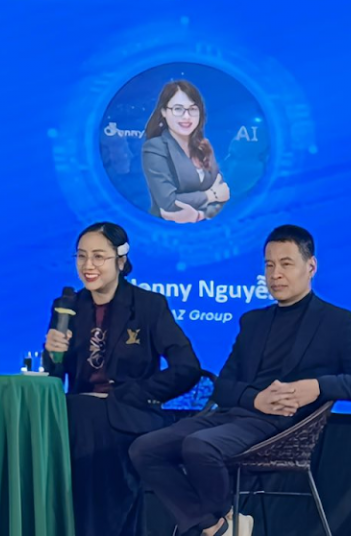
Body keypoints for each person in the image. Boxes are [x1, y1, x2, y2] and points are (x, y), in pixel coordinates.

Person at [130, 224, 351, 536]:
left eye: (286, 264)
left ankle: (221, 526)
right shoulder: (253, 322)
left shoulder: (336, 321)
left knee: (199, 446)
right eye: (269, 265)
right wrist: (255, 398)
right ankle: (218, 525)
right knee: (144, 449)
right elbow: (223, 387)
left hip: (279, 426)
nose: (275, 274)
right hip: (232, 415)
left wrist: (317, 386)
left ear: (311, 267)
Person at [44, 222, 202, 536]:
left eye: (98, 257)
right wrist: (52, 353)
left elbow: (187, 367)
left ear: (120, 260)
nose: (88, 265)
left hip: (131, 414)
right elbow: (54, 379)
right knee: (72, 418)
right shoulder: (68, 307)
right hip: (79, 415)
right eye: (81, 256)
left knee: (86, 420)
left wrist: (136, 393)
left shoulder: (148, 305)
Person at [140, 80, 230, 223]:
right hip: (165, 228)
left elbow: (223, 193)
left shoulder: (204, 146)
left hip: (205, 228)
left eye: (193, 109)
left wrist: (199, 216)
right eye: (178, 109)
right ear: (164, 112)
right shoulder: (155, 148)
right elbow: (168, 202)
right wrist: (210, 195)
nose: (186, 116)